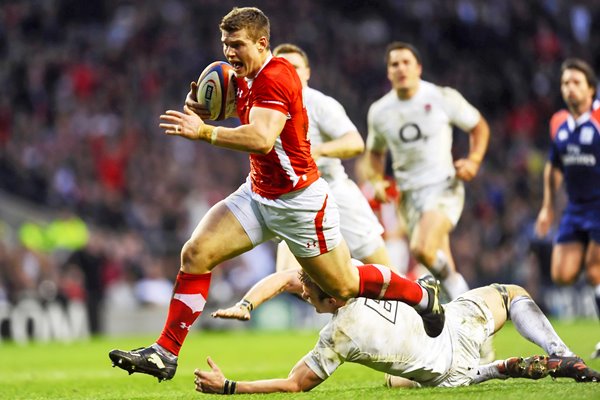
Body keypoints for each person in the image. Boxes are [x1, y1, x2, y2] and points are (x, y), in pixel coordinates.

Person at [108, 7, 444, 382]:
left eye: (237, 45)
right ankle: (165, 352)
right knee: (196, 253)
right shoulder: (240, 76)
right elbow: (230, 109)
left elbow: (262, 137)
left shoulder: (277, 77)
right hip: (258, 193)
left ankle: (419, 295)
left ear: (262, 42)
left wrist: (203, 132)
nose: (229, 53)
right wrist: (203, 109)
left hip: (299, 202)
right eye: (225, 45)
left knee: (344, 285)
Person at [213, 42, 396, 321]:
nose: (287, 71)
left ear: (307, 73)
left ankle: (419, 314)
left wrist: (317, 151)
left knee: (387, 274)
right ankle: (349, 313)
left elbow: (354, 142)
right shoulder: (264, 99)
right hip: (295, 199)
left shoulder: (320, 104)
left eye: (295, 67)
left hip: (335, 192)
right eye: (281, 65)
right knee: (289, 278)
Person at [194, 272, 600, 394]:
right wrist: (248, 304)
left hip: (445, 369)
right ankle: (558, 351)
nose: (301, 290)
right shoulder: (357, 277)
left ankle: (490, 369)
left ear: (329, 303)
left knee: (398, 378)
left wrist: (230, 386)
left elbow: (293, 384)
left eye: (308, 292)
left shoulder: (336, 338)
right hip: (455, 322)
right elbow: (292, 277)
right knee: (510, 295)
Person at [361, 41, 490, 302]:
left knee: (421, 249)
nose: (401, 68)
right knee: (435, 257)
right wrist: (376, 180)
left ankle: (459, 290)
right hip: (408, 196)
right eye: (394, 64)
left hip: (443, 187)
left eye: (406, 62)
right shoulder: (380, 112)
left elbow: (479, 127)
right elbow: (374, 152)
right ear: (388, 72)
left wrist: (474, 160)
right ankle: (464, 310)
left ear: (418, 68)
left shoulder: (441, 97)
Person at [534, 58, 600, 359]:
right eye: (565, 83)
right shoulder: (558, 122)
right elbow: (554, 165)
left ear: (591, 89)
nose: (569, 88)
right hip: (575, 208)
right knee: (561, 274)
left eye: (576, 83)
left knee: (594, 271)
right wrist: (547, 207)